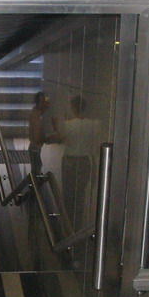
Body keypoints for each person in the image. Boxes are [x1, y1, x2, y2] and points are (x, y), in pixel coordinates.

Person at [57, 96, 101, 229]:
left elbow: (62, 139)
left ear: (73, 107)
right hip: (85, 162)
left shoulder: (67, 124)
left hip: (70, 161)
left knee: (68, 194)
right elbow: (94, 147)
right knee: (80, 196)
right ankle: (78, 225)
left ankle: (67, 224)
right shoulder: (94, 124)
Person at [27, 91, 54, 175]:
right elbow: (37, 138)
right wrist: (49, 138)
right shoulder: (37, 117)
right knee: (36, 171)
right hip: (35, 148)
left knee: (36, 169)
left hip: (34, 147)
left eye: (46, 101)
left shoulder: (36, 112)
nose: (45, 104)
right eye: (42, 102)